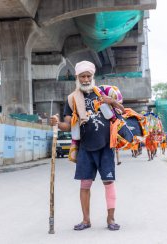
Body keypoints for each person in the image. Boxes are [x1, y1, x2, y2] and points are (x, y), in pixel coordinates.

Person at [50, 60, 124, 231]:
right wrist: (56, 123)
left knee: (109, 182)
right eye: (82, 76)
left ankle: (111, 219)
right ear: (77, 78)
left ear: (93, 76)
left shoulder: (104, 92)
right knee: (84, 185)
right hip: (85, 148)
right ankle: (86, 220)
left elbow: (122, 111)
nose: (85, 79)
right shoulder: (72, 99)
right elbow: (68, 125)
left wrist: (111, 102)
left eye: (88, 76)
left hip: (106, 146)